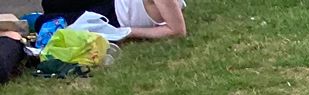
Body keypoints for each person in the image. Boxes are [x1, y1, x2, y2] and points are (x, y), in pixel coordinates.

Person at [15, 0, 185, 39]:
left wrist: (129, 32)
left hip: (112, 17)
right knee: (53, 3)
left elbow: (177, 31)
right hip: (113, 4)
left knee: (41, 22)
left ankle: (35, 20)